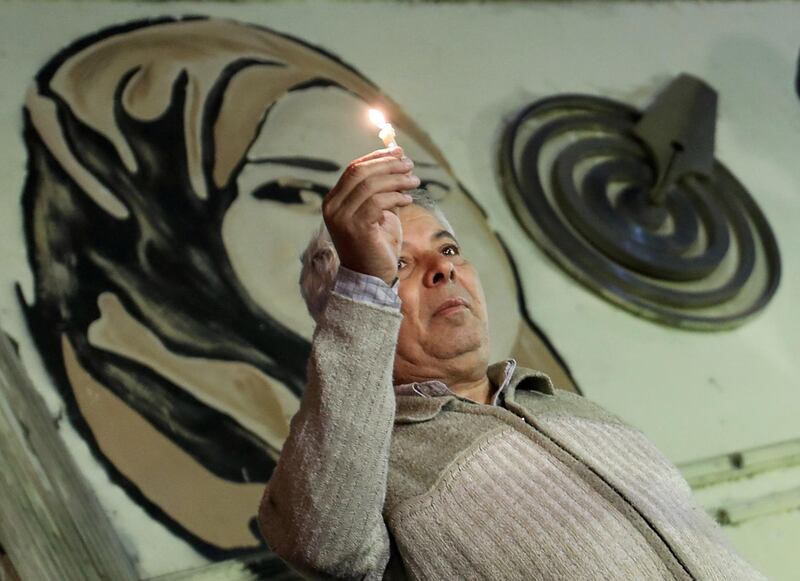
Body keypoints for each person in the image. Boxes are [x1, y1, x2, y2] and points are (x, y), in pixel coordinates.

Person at [258, 146, 766, 580]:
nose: (443, 270)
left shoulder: (564, 405)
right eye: (400, 265)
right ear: (354, 309)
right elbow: (322, 540)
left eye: (449, 248)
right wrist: (366, 284)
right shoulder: (374, 466)